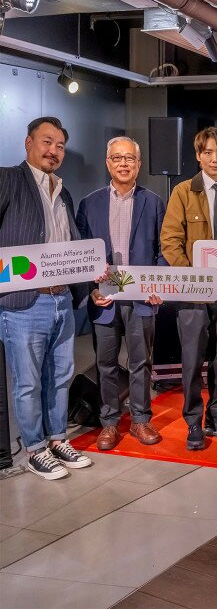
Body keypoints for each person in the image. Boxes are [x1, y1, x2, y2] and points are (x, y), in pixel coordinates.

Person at [0, 117, 92, 479]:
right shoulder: (8, 180)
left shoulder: (63, 192)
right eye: (47, 142)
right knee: (27, 382)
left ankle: (57, 440)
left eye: (60, 145)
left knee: (60, 376)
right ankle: (34, 449)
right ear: (28, 143)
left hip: (60, 301)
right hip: (24, 302)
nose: (53, 151)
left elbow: (70, 244)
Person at [76, 136, 166, 451]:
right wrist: (90, 288)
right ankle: (110, 423)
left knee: (142, 362)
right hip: (106, 298)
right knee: (106, 363)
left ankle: (141, 420)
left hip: (141, 298)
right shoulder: (90, 203)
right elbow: (80, 254)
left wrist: (158, 284)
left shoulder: (153, 202)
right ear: (108, 163)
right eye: (117, 158)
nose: (124, 164)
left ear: (139, 164)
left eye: (129, 158)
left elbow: (162, 251)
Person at [161, 126, 217, 451]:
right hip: (194, 294)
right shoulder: (183, 191)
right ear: (198, 155)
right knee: (193, 358)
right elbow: (169, 241)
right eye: (208, 152)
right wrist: (193, 279)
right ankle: (193, 422)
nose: (214, 158)